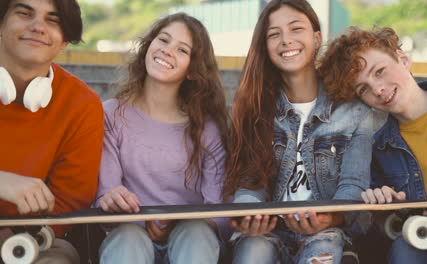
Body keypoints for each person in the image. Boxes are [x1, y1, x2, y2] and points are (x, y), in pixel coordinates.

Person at [222, 0, 375, 263]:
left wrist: (330, 217)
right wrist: (248, 213)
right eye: (274, 34)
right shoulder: (255, 107)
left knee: (323, 252)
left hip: (327, 231)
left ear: (316, 39)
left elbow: (353, 186)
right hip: (268, 232)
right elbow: (250, 181)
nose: (285, 41)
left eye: (296, 29)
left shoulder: (354, 112)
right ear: (265, 46)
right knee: (252, 253)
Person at [319, 26, 427, 264]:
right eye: (363, 89)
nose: (378, 90)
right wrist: (384, 212)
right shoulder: (378, 149)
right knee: (405, 247)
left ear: (403, 59)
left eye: (379, 71)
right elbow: (391, 229)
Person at [95, 13, 230, 264]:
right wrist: (115, 202)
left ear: (192, 70)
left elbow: (219, 211)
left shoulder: (207, 128)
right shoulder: (111, 115)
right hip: (128, 236)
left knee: (196, 233)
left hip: (192, 241)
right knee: (128, 237)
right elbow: (106, 192)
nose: (168, 51)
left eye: (182, 50)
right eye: (163, 40)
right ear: (148, 47)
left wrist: (181, 221)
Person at [0, 0, 104, 263]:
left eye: (53, 20)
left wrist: (15, 236)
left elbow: (70, 200)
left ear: (65, 41)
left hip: (28, 241)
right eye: (24, 13)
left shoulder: (83, 103)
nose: (38, 27)